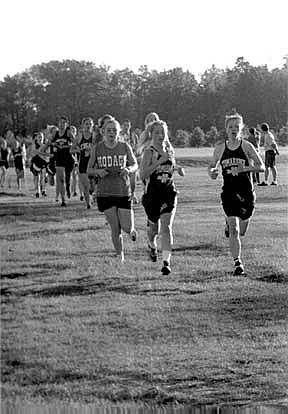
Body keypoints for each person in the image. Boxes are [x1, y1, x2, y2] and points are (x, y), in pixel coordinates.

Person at [208, 112, 265, 276]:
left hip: (246, 193)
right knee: (234, 229)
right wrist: (212, 172)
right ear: (226, 129)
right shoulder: (220, 148)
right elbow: (212, 165)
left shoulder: (246, 146)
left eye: (236, 127)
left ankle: (230, 225)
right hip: (229, 193)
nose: (233, 130)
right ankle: (238, 263)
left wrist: (245, 168)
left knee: (242, 230)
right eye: (230, 127)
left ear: (241, 129)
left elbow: (261, 167)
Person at [87, 118, 138, 262]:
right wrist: (98, 171)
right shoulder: (97, 148)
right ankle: (120, 256)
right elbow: (88, 170)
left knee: (127, 227)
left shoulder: (124, 146)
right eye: (108, 130)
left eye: (114, 130)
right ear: (103, 132)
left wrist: (128, 169)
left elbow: (135, 165)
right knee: (115, 227)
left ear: (118, 132)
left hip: (123, 190)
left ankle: (132, 231)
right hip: (105, 193)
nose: (111, 133)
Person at [140, 120, 185, 275]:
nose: (160, 135)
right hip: (152, 195)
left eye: (163, 132)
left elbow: (170, 167)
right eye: (157, 132)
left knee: (166, 228)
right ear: (151, 134)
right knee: (154, 229)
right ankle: (151, 244)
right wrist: (159, 160)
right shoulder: (149, 152)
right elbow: (143, 174)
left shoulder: (169, 150)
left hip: (168, 193)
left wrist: (178, 169)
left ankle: (166, 262)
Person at [43, 116, 73, 206]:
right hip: (59, 158)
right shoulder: (55, 134)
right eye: (60, 122)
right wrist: (50, 145)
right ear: (58, 124)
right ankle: (63, 200)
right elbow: (48, 144)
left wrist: (66, 146)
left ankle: (68, 188)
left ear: (66, 124)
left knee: (67, 179)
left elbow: (75, 143)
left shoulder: (68, 133)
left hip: (68, 158)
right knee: (61, 180)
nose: (62, 124)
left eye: (64, 123)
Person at [71, 117, 94, 209]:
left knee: (92, 185)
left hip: (93, 164)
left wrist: (92, 150)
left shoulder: (95, 136)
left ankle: (93, 195)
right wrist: (80, 149)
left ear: (92, 125)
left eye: (90, 124)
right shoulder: (80, 137)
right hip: (83, 163)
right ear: (83, 125)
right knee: (85, 185)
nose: (88, 126)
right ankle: (88, 204)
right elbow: (71, 150)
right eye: (86, 124)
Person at [119, 119, 139, 203]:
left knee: (133, 179)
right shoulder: (119, 135)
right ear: (121, 126)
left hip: (131, 159)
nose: (126, 127)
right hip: (122, 160)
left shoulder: (133, 136)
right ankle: (123, 194)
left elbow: (137, 148)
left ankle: (133, 194)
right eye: (125, 125)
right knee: (122, 179)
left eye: (128, 125)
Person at [30, 132, 50, 197]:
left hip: (43, 162)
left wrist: (41, 146)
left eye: (41, 137)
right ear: (36, 138)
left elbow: (47, 154)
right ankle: (37, 191)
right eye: (39, 137)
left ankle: (44, 191)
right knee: (37, 178)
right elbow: (33, 153)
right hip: (36, 162)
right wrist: (39, 151)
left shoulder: (45, 144)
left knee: (43, 177)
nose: (40, 138)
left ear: (43, 137)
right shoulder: (34, 144)